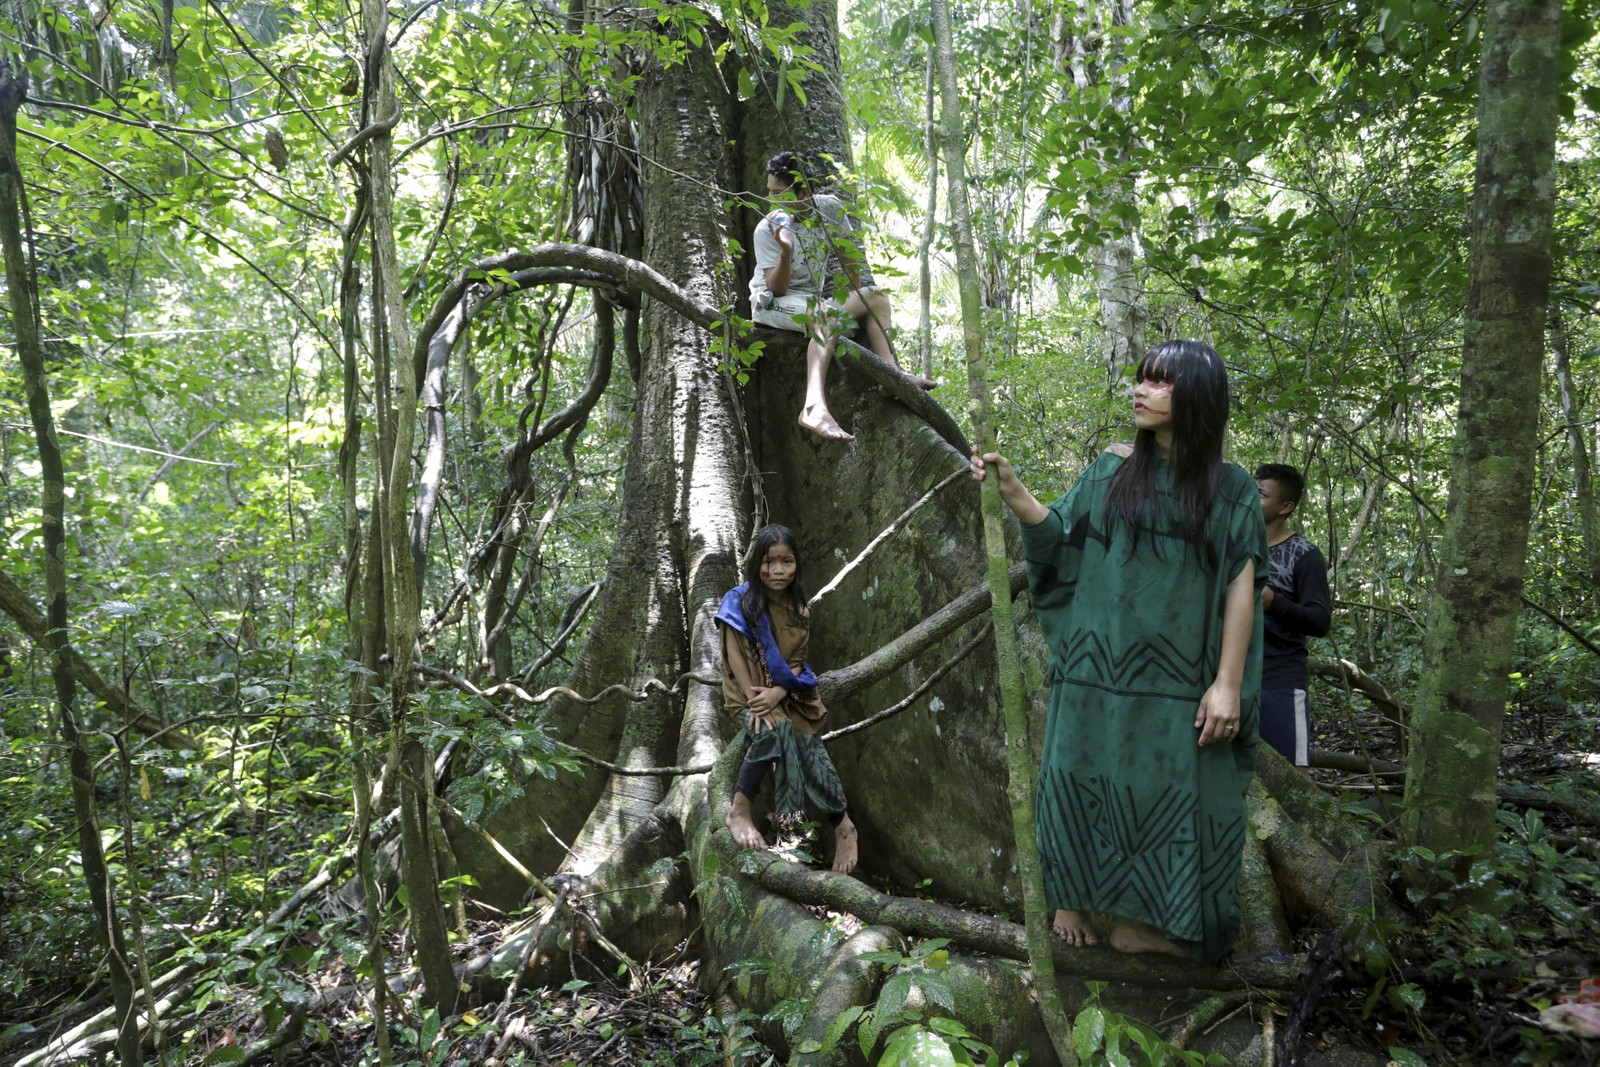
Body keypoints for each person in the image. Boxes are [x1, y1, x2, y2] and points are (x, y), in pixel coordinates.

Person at [970, 339, 1265, 961]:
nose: (1142, 390)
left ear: (1199, 398)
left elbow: (1242, 586)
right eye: (1141, 379)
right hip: (1095, 671)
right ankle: (1070, 898)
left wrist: (1228, 683)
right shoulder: (1111, 468)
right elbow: (1061, 540)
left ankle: (1141, 923)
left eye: (1161, 383)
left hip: (1181, 679)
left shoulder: (1234, 488)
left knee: (1178, 791)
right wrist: (1015, 489)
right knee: (1079, 776)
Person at [750, 149, 935, 443]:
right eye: (770, 192)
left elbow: (849, 258)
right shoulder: (766, 228)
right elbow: (777, 289)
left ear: (804, 192)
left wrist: (856, 300)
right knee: (826, 315)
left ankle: (892, 377)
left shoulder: (829, 209)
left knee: (875, 296)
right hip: (773, 304)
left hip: (814, 302)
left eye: (779, 193)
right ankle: (813, 407)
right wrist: (785, 250)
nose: (771, 200)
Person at [717, 524, 859, 874]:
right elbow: (734, 654)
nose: (778, 571)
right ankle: (742, 810)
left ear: (797, 565)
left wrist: (780, 691)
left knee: (811, 749)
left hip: (787, 691)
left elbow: (796, 662)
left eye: (787, 562)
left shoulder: (799, 609)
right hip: (747, 692)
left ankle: (843, 825)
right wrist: (757, 700)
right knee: (772, 732)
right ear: (756, 565)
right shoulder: (738, 601)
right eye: (769, 562)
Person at [1254, 464, 1332, 767]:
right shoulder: (1232, 546)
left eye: (1261, 494)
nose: (1250, 498)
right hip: (1229, 678)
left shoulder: (1305, 555)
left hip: (1279, 681)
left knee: (1288, 776)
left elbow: (1320, 621)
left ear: (1285, 507)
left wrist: (1274, 602)